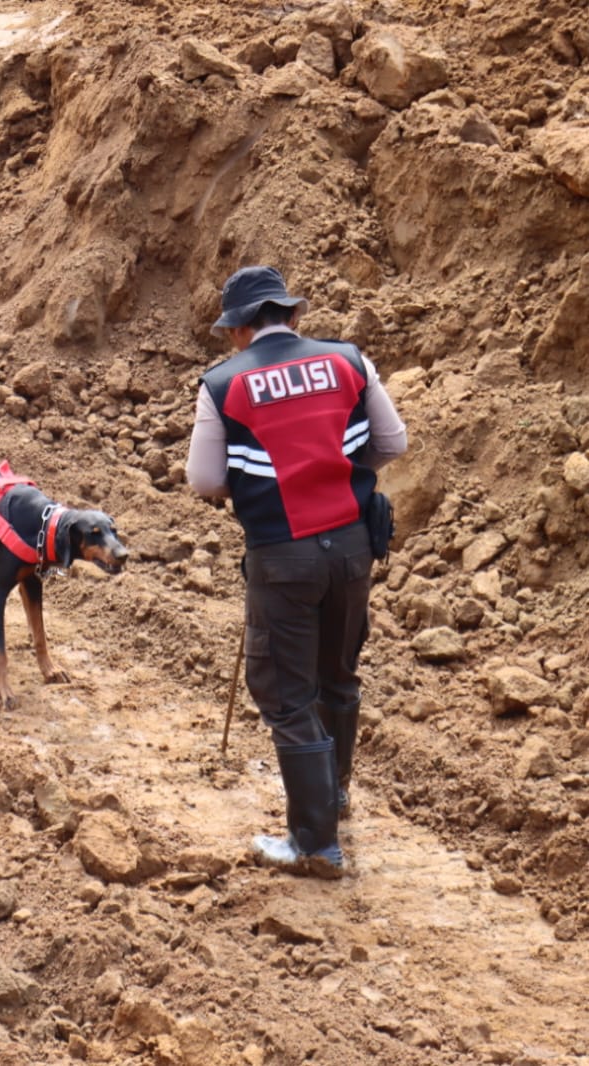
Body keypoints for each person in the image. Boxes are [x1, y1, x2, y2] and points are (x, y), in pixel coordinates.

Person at [187, 265, 407, 878]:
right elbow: (392, 442)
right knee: (337, 673)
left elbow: (205, 481)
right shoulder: (348, 362)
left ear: (237, 331)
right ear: (293, 316)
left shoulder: (223, 383)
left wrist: (255, 482)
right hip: (354, 547)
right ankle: (332, 800)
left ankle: (314, 842)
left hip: (282, 555)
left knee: (287, 694)